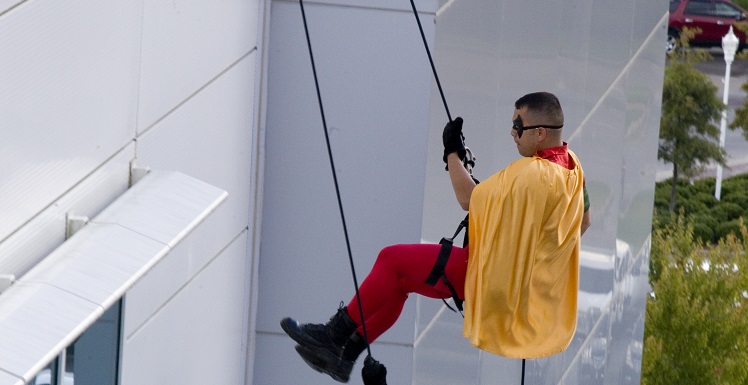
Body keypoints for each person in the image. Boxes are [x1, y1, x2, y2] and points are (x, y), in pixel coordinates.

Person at [281, 91, 591, 382]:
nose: (512, 132)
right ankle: (344, 357)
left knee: (391, 259)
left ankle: (334, 335)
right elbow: (582, 223)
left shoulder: (532, 174)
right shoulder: (572, 168)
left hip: (485, 276)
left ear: (540, 132)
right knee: (400, 282)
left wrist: (451, 154)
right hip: (513, 289)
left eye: (517, 125)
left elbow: (468, 199)